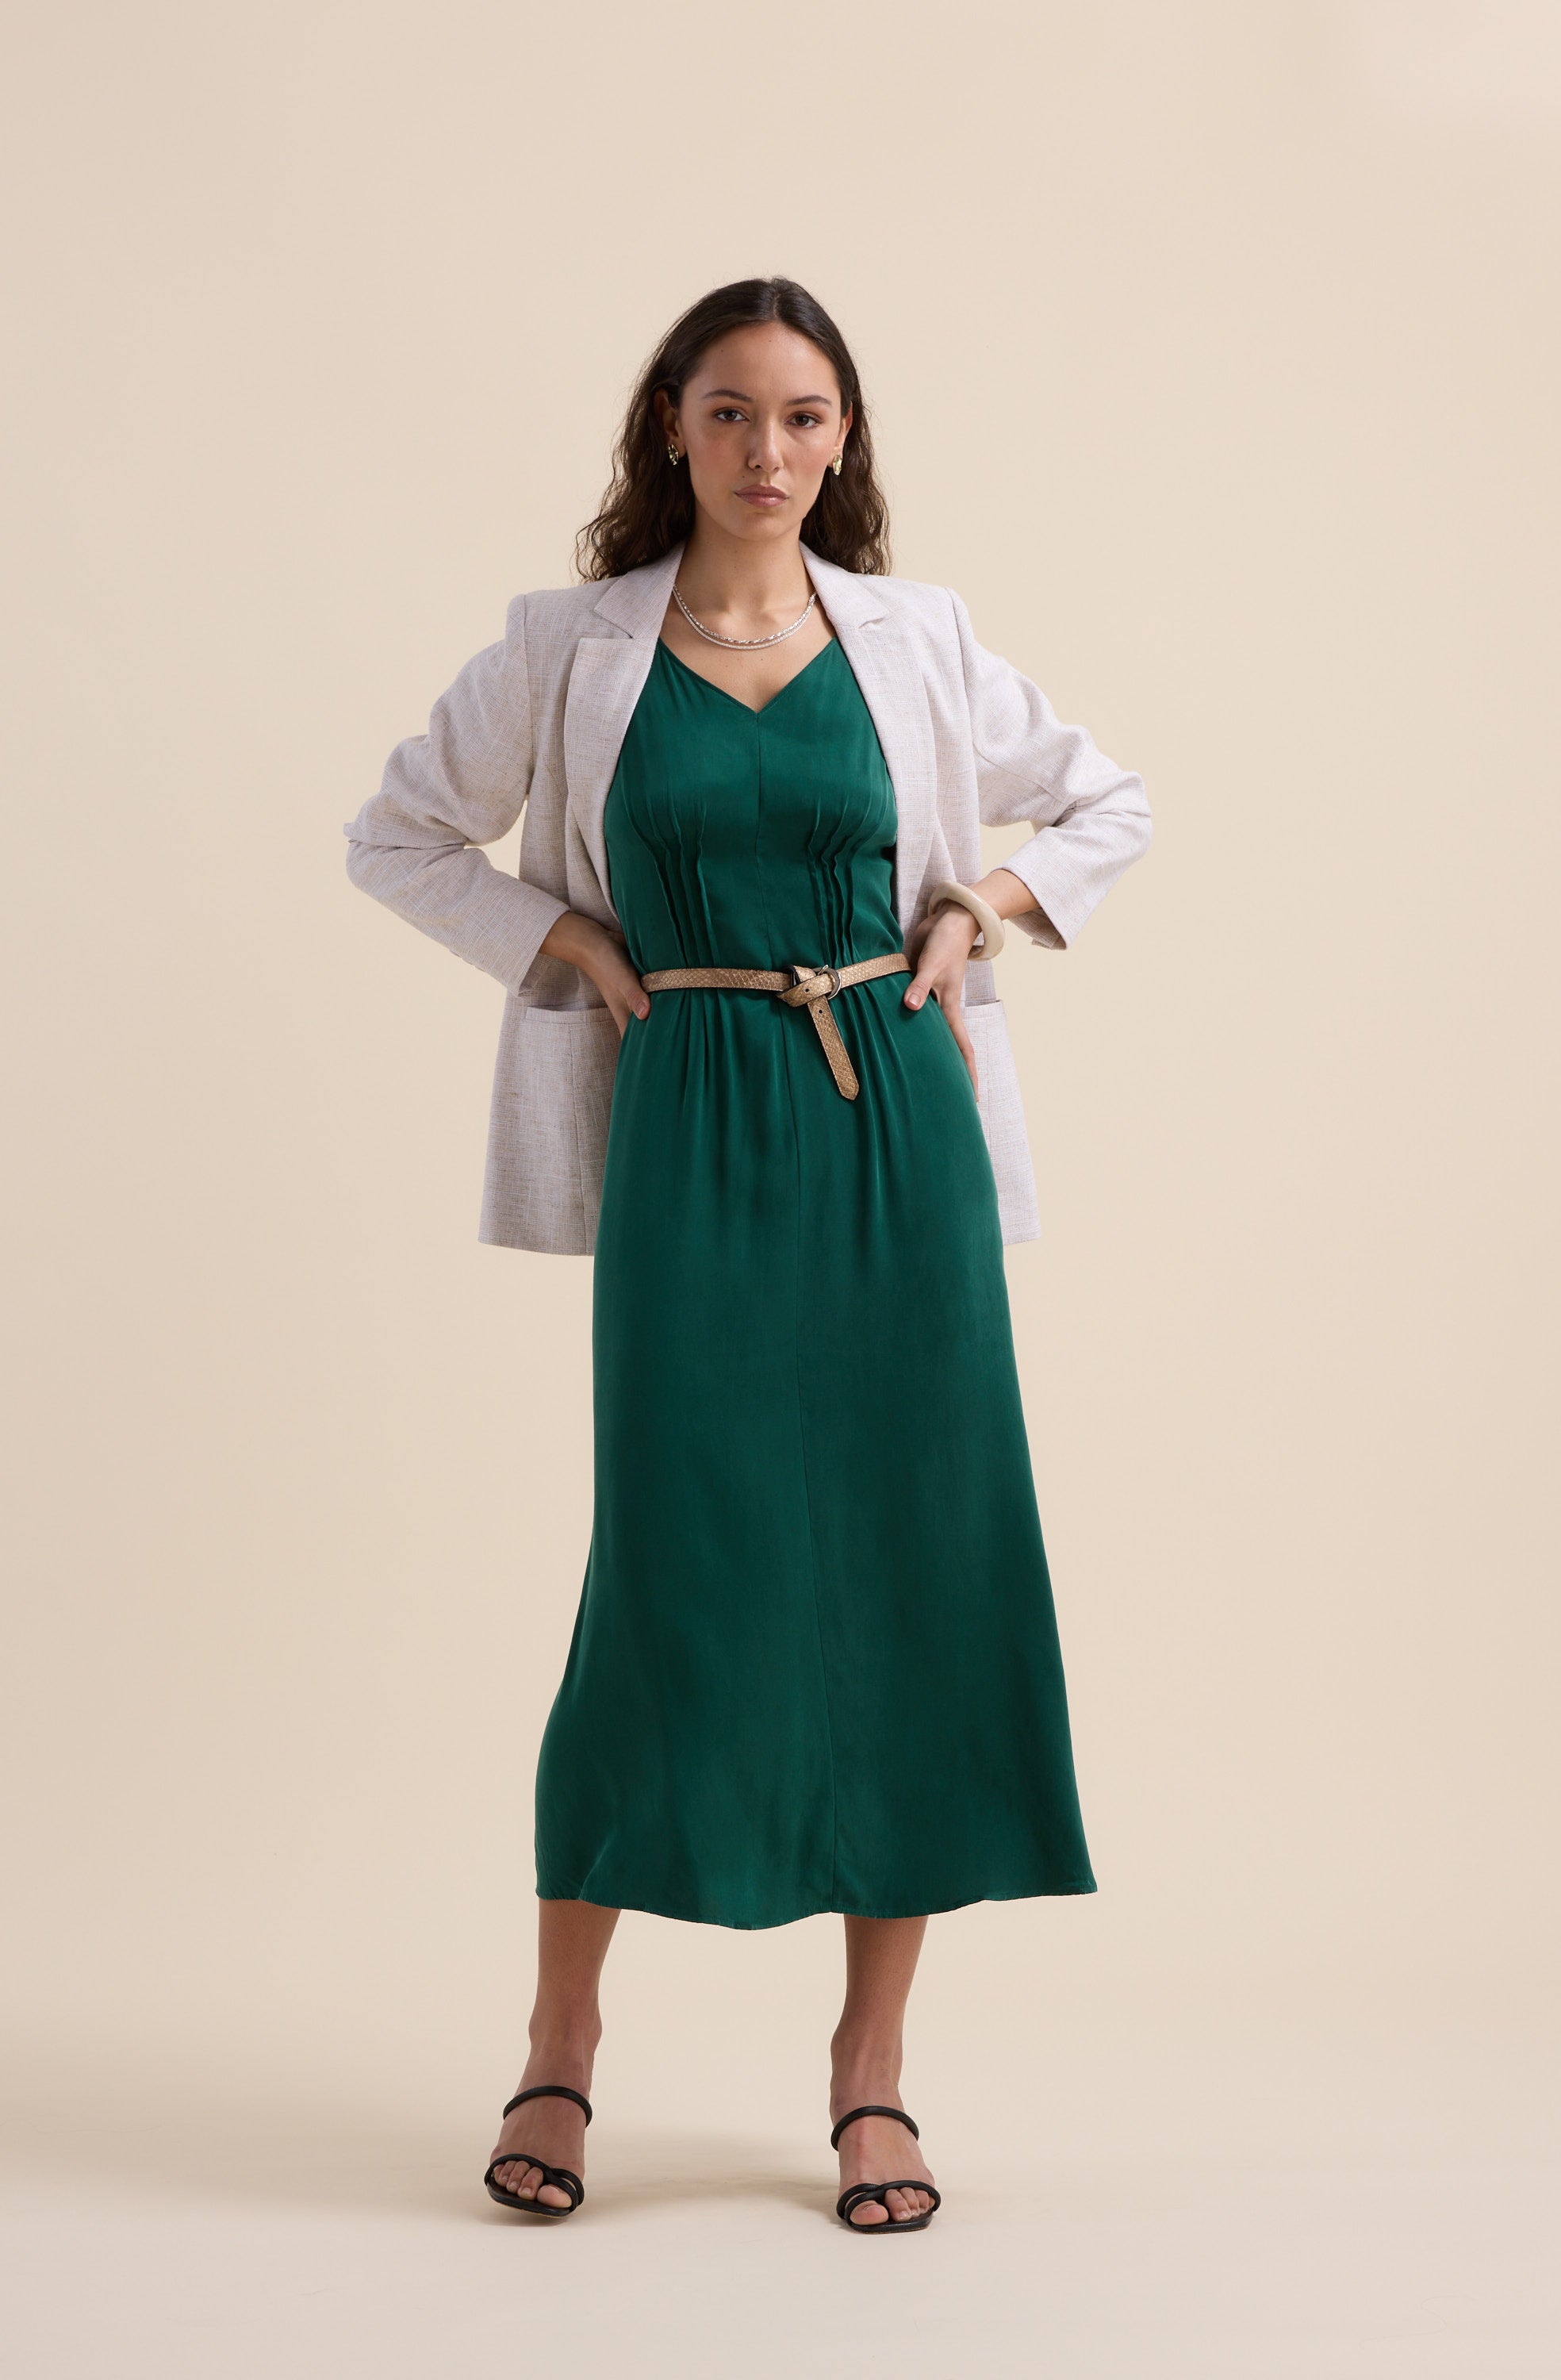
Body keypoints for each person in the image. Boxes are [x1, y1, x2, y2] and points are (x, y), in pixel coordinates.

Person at [343, 277, 1151, 2232]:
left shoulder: (918, 638)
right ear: (671, 432)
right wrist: (562, 940)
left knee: (912, 1560)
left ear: (842, 438)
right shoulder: (568, 645)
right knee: (672, 1563)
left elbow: (1105, 801)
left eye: (802, 417)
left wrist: (992, 903)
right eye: (728, 414)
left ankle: (869, 2078)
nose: (767, 451)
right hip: (693, 1112)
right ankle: (562, 2051)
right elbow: (399, 837)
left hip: (894, 1108)